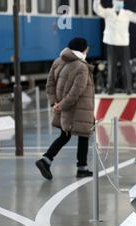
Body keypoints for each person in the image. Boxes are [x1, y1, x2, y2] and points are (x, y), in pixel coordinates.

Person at [36, 38, 95, 180]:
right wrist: (60, 105)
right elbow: (76, 92)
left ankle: (47, 160)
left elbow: (49, 85)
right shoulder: (81, 67)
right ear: (83, 50)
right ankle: (82, 168)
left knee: (65, 135)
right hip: (79, 108)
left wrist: (54, 104)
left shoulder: (58, 61)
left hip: (63, 108)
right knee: (83, 135)